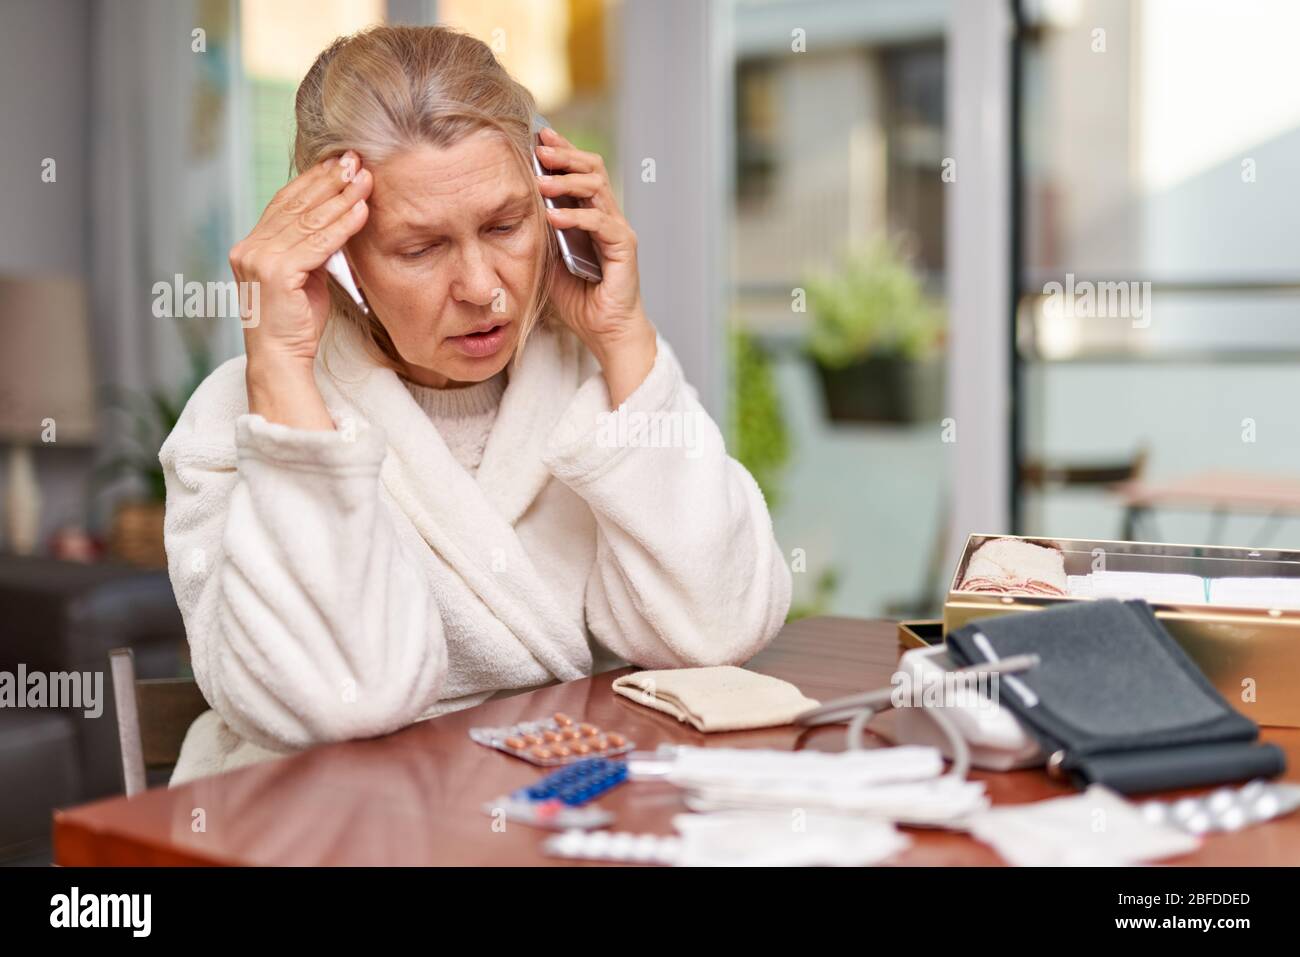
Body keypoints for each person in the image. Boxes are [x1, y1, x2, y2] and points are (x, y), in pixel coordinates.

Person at [160, 25, 791, 784]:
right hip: (326, 827)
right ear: (339, 250)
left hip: (563, 808)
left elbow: (717, 627)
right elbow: (340, 698)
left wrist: (625, 337)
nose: (483, 286)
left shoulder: (592, 384)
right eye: (420, 248)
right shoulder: (240, 416)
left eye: (504, 225)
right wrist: (284, 374)